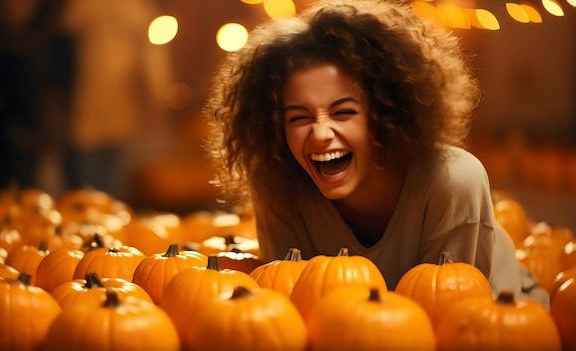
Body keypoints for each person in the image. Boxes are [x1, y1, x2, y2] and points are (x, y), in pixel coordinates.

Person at [203, 0, 548, 306]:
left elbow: (452, 319)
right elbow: (291, 317)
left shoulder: (453, 180)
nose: (320, 134)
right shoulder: (277, 186)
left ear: (386, 114)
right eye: (299, 117)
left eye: (343, 112)